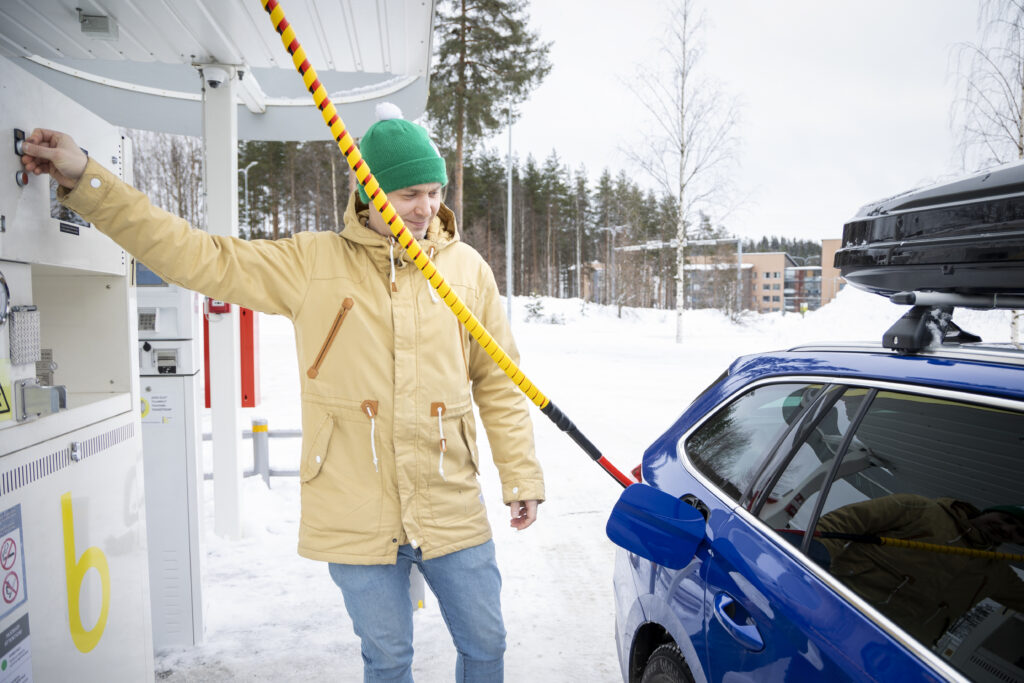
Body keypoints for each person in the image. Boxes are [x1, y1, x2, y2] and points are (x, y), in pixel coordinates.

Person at [20, 107, 545, 682]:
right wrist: (88, 180)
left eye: (434, 191)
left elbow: (499, 383)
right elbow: (197, 255)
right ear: (367, 191)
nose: (426, 209)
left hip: (449, 502)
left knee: (486, 643)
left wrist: (520, 476)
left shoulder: (467, 272)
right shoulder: (313, 263)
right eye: (409, 193)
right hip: (354, 506)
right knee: (388, 658)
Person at [815, 494, 1024, 645]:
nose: (1006, 529)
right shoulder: (921, 509)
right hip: (833, 610)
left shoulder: (996, 573)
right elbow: (846, 521)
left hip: (889, 651)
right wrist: (813, 552)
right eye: (1007, 520)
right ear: (991, 511)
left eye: (1018, 533)